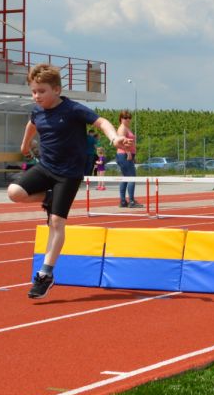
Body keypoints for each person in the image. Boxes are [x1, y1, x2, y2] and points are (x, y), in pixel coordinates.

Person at [9, 63, 129, 299]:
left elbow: (102, 122)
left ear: (56, 90)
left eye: (41, 91)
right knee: (15, 192)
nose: (36, 96)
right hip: (46, 167)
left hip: (68, 174)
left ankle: (45, 274)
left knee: (56, 222)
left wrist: (114, 138)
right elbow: (31, 124)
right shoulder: (37, 111)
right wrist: (24, 144)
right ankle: (49, 197)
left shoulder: (73, 109)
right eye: (33, 92)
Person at [115, 109, 139, 208]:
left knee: (125, 177)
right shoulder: (122, 128)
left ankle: (123, 201)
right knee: (131, 177)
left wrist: (133, 155)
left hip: (126, 155)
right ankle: (131, 201)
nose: (128, 119)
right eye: (125, 117)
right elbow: (121, 142)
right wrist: (128, 152)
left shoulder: (126, 128)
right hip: (124, 154)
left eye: (129, 117)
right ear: (121, 118)